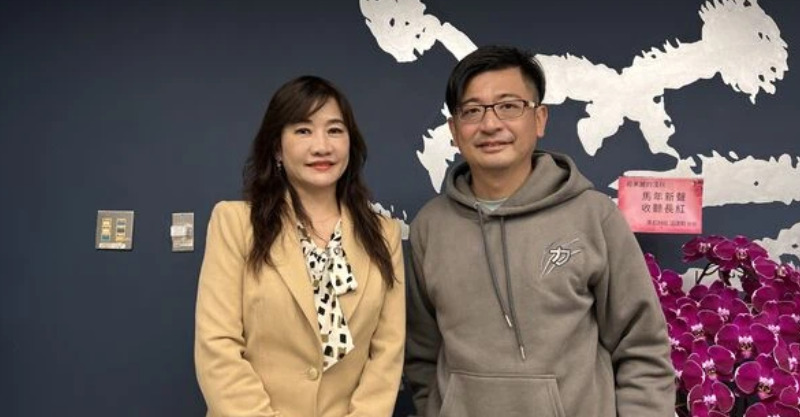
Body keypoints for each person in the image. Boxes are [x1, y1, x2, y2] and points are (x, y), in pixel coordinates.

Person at [404, 45, 675, 417]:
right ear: (454, 130)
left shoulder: (594, 217)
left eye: (509, 106)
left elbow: (642, 348)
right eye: (472, 110)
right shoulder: (430, 227)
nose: (490, 124)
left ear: (540, 118)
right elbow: (422, 353)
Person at [195, 75, 405, 417]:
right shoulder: (235, 223)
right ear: (277, 147)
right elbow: (217, 345)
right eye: (303, 130)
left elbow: (387, 352)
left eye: (334, 130)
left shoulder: (384, 233)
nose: (322, 146)